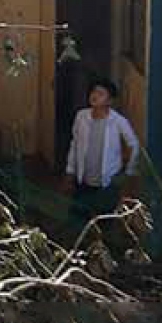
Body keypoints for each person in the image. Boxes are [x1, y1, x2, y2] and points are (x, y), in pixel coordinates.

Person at [63, 78, 141, 231]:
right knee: (78, 222)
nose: (95, 96)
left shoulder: (118, 121)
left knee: (103, 223)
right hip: (83, 181)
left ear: (110, 100)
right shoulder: (81, 116)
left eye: (100, 93)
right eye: (93, 92)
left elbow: (134, 145)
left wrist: (129, 172)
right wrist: (70, 172)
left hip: (107, 183)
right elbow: (75, 144)